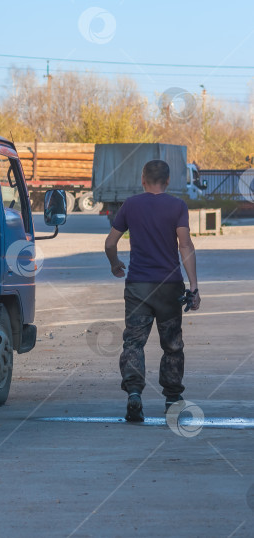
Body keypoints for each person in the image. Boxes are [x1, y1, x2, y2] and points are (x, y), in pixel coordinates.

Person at [104, 160, 200, 422]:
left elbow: (111, 242)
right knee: (172, 345)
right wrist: (193, 285)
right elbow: (185, 245)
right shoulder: (177, 206)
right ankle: (171, 399)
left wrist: (115, 264)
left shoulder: (131, 205)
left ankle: (134, 394)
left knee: (134, 342)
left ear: (143, 179)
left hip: (138, 286)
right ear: (168, 181)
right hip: (169, 287)